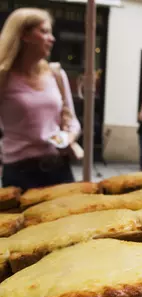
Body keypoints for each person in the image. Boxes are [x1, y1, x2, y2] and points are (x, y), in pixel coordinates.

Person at [0, 8, 80, 191]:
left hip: (59, 168)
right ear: (23, 35)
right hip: (19, 172)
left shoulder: (56, 75)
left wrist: (67, 138)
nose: (52, 38)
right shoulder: (3, 78)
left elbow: (72, 121)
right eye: (44, 31)